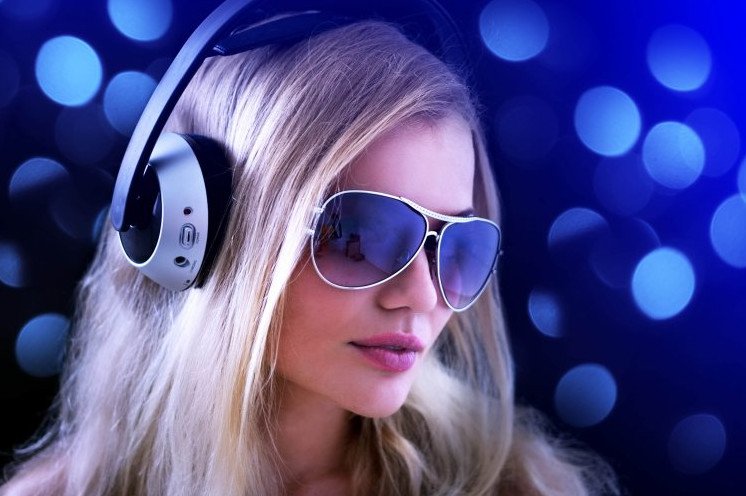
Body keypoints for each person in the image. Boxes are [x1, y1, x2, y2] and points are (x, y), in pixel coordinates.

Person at [0, 18, 620, 496]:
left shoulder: (521, 488)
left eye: (459, 243)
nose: (424, 295)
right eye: (362, 235)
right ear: (198, 232)